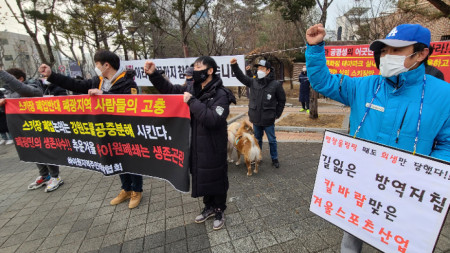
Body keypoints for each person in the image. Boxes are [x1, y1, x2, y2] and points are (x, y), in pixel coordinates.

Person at [305, 23, 450, 253]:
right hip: (361, 187)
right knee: (350, 240)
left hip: (406, 195)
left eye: (396, 50)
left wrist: (428, 177)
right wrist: (315, 48)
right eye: (384, 50)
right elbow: (323, 82)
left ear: (422, 53)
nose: (386, 56)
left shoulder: (443, 95)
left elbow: (447, 145)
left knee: (400, 245)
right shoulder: (365, 85)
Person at [39, 49, 144, 208]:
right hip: (107, 129)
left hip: (126, 129)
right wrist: (52, 75)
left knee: (131, 160)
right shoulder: (98, 80)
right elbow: (75, 84)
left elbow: (131, 103)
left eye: (97, 64)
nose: (96, 67)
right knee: (117, 160)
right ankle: (126, 189)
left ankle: (137, 191)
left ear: (106, 65)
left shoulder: (128, 82)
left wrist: (103, 94)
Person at [144, 56, 236, 230]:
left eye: (199, 67)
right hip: (196, 145)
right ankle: (208, 206)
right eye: (194, 66)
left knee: (216, 178)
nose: (195, 70)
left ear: (210, 71)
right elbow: (170, 90)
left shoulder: (221, 94)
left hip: (214, 146)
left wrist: (192, 101)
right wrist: (154, 75)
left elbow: (213, 119)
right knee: (202, 177)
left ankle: (219, 209)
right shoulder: (192, 87)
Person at [0, 68, 66, 192]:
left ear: (20, 79)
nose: (7, 83)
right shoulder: (9, 93)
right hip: (24, 129)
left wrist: (2, 73)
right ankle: (44, 175)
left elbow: (22, 89)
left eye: (10, 79)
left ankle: (55, 176)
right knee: (33, 151)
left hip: (40, 127)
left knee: (45, 149)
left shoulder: (33, 88)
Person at [230, 58, 286, 168]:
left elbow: (282, 100)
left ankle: (274, 159)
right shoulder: (253, 81)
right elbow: (241, 77)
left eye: (262, 68)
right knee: (257, 140)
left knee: (272, 140)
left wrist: (277, 114)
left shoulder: (275, 84)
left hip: (268, 119)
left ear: (268, 70)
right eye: (258, 68)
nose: (259, 70)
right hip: (256, 118)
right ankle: (258, 157)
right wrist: (234, 66)